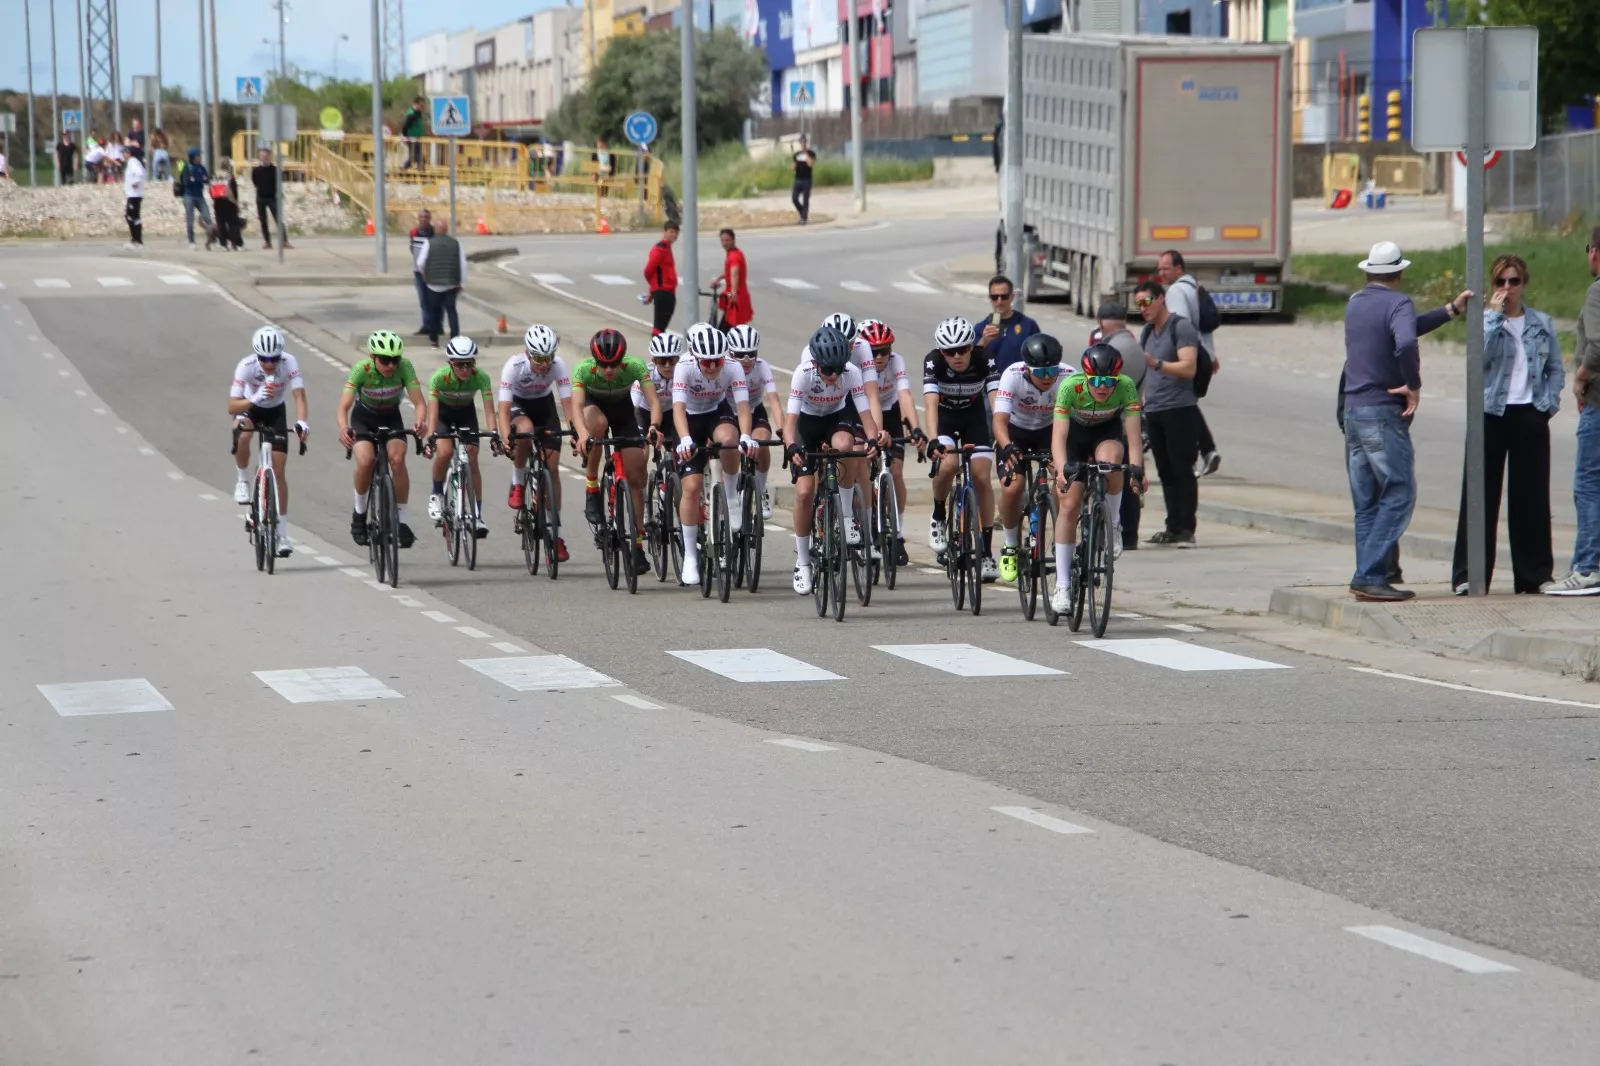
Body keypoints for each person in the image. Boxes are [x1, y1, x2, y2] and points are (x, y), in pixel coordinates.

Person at [1341, 241, 1471, 601]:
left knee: (1366, 501)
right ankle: (1368, 574)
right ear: (1399, 274)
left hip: (1353, 411)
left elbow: (1406, 329)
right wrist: (1413, 384)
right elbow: (1405, 343)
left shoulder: (1355, 304)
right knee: (1400, 491)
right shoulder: (1398, 302)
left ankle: (1370, 576)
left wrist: (1449, 310)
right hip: (1382, 412)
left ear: (1368, 272)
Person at [1446, 254, 1562, 595]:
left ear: (1523, 284)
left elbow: (1555, 367)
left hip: (1529, 411)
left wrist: (1548, 403)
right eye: (1501, 282)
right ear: (1492, 287)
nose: (1508, 288)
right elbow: (1476, 357)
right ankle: (1469, 574)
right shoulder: (1485, 322)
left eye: (1514, 282)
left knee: (1531, 497)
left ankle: (1534, 575)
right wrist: (1493, 316)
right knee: (1479, 495)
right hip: (1490, 413)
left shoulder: (1541, 323)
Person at [784, 326, 883, 594]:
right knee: (804, 493)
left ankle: (848, 515)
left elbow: (866, 417)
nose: (834, 375)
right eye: (828, 370)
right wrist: (791, 445)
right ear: (815, 363)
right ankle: (802, 561)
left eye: (838, 368)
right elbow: (790, 422)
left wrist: (873, 439)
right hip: (807, 424)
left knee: (846, 446)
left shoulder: (851, 373)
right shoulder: (802, 374)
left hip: (834, 419)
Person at [1051, 342, 1145, 612]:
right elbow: (1058, 437)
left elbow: (1134, 438)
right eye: (1097, 380)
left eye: (1109, 381)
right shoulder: (1070, 387)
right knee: (1069, 504)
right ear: (1086, 377)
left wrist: (1137, 469)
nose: (1103, 386)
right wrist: (1061, 470)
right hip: (1075, 437)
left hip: (1106, 431)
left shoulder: (1126, 386)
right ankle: (1063, 586)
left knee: (1112, 463)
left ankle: (1114, 524)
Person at [672, 327, 757, 586]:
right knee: (692, 486)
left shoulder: (732, 366)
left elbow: (742, 406)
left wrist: (746, 435)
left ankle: (731, 497)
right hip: (689, 420)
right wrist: (685, 438)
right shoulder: (684, 367)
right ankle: (689, 557)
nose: (711, 367)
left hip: (715, 412)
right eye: (706, 362)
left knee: (730, 441)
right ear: (696, 358)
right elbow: (677, 409)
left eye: (717, 361)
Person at [572, 328, 658, 575]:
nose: (608, 370)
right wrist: (582, 433)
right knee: (596, 427)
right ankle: (592, 486)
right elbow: (577, 406)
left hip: (622, 412)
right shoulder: (583, 370)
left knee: (636, 477)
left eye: (614, 364)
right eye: (603, 364)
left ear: (623, 361)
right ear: (594, 360)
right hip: (594, 407)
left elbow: (653, 402)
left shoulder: (635, 366)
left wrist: (653, 426)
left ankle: (638, 545)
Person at [924, 315, 1000, 581]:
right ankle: (938, 514)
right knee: (948, 465)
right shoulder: (933, 362)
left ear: (971, 347)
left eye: (962, 350)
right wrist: (932, 439)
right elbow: (931, 404)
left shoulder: (984, 359)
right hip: (945, 418)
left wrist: (1005, 439)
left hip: (974, 418)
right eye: (949, 351)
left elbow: (996, 402)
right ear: (941, 352)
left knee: (981, 476)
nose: (957, 356)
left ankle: (988, 552)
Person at [337, 330, 428, 549]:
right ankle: (359, 514)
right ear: (373, 358)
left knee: (397, 459)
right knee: (366, 460)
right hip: (364, 418)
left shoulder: (405, 367)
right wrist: (344, 428)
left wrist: (420, 422)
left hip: (391, 416)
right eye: (385, 360)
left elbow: (420, 403)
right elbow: (344, 406)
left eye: (394, 360)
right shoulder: (361, 370)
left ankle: (402, 522)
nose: (391, 366)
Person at [1547, 232, 1600, 595]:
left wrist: (1580, 377)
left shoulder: (1597, 291)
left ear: (1595, 253)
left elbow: (1597, 344)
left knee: (1589, 484)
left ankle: (1587, 566)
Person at [993, 333, 1068, 584]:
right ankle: (1011, 545)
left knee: (1062, 481)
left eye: (1052, 371)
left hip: (1050, 433)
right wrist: (1007, 446)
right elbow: (999, 421)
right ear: (1027, 369)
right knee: (1014, 486)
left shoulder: (1069, 376)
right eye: (1040, 372)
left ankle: (1061, 538)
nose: (1048, 378)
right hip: (1017, 433)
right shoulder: (1012, 375)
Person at [499, 323, 578, 562]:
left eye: (549, 358)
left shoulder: (558, 365)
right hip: (518, 406)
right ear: (528, 353)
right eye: (539, 358)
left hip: (544, 406)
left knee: (552, 468)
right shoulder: (514, 366)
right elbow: (502, 410)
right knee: (524, 430)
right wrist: (504, 437)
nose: (545, 364)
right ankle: (518, 483)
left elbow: (568, 405)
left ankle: (556, 535)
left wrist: (575, 431)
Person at [229, 326, 309, 556]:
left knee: (279, 469)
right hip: (250, 408)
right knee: (242, 432)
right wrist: (254, 398)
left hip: (275, 412)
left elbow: (299, 396)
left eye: (273, 359)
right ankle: (242, 480)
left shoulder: (289, 362)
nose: (269, 364)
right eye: (264, 359)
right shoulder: (246, 367)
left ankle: (282, 534)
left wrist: (303, 422)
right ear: (257, 355)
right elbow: (232, 406)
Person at [1134, 281, 1202, 547]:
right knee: (1164, 470)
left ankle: (1186, 528)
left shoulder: (1180, 327)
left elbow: (1189, 367)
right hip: (1155, 408)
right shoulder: (1147, 332)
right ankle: (1172, 525)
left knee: (1182, 467)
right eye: (1138, 304)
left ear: (1161, 299)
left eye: (1146, 302)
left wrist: (1158, 363)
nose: (1143, 309)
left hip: (1180, 408)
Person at [858, 319, 924, 566]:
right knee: (861, 470)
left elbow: (905, 395)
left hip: (890, 412)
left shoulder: (896, 362)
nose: (879, 357)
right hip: (862, 413)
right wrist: (874, 432)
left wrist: (916, 428)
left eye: (885, 350)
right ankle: (862, 525)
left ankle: (897, 533)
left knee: (895, 472)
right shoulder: (857, 364)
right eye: (874, 352)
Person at [1156, 250, 1223, 478]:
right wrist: (1211, 355)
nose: (1161, 273)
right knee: (1188, 404)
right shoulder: (1194, 286)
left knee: (1182, 407)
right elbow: (1203, 325)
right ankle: (1208, 451)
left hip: (1190, 358)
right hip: (1203, 354)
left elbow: (1181, 327)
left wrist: (1176, 359)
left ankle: (1201, 454)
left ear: (1178, 268)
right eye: (1159, 269)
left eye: (1166, 268)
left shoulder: (1175, 291)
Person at [426, 336, 498, 538]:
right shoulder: (439, 378)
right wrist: (431, 436)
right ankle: (437, 493)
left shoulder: (481, 378)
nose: (465, 369)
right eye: (460, 365)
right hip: (443, 415)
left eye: (469, 364)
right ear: (450, 363)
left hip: (466, 414)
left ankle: (476, 515)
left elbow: (490, 411)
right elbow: (432, 411)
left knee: (472, 457)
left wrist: (494, 434)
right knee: (445, 451)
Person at [1092, 300, 1147, 550]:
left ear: (1101, 322)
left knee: (1114, 479)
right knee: (1130, 478)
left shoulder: (1110, 351)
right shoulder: (1135, 346)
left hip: (1116, 423)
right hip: (1134, 418)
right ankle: (1130, 536)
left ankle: (1114, 533)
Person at [728, 324, 784, 521]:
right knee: (729, 445)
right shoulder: (725, 367)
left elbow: (774, 399)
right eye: (740, 355)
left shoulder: (762, 366)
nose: (746, 360)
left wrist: (784, 430)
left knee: (762, 441)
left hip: (753, 409)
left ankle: (761, 490)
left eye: (751, 354)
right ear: (730, 353)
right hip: (729, 411)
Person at [415, 219, 466, 350]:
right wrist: (461, 282)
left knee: (433, 312)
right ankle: (454, 339)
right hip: (451, 284)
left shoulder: (429, 243)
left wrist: (426, 276)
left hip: (433, 285)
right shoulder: (455, 243)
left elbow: (420, 263)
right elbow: (463, 264)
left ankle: (434, 341)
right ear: (446, 229)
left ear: (436, 230)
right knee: (452, 312)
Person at [977, 274, 1041, 376]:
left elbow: (1040, 359)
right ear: (990, 298)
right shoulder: (980, 328)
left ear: (1012, 297)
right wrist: (984, 341)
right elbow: (970, 361)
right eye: (994, 297)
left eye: (1004, 297)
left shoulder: (1029, 326)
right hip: (990, 386)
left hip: (1019, 386)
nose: (999, 301)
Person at [643, 221, 679, 335]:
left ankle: (658, 349)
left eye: (676, 232)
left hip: (667, 291)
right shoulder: (660, 249)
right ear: (665, 232)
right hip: (663, 291)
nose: (674, 235)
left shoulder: (667, 248)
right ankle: (656, 349)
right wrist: (655, 288)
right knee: (659, 327)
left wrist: (652, 291)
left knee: (661, 327)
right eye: (671, 232)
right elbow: (648, 271)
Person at [713, 228, 752, 330]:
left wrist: (733, 294)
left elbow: (734, 274)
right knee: (735, 329)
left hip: (736, 298)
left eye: (727, 240)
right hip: (738, 296)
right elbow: (730, 273)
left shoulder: (734, 256)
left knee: (727, 331)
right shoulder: (735, 252)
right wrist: (719, 279)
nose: (724, 243)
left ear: (733, 240)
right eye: (722, 240)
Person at [179, 147, 216, 250]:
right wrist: (199, 180)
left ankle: (213, 239)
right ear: (193, 157)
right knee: (190, 219)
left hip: (200, 196)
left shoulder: (201, 167)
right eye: (198, 156)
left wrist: (197, 179)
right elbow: (186, 182)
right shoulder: (187, 167)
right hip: (188, 196)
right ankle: (191, 241)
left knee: (207, 217)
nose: (199, 158)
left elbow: (207, 179)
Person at [253, 147, 285, 250]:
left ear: (270, 157)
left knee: (278, 219)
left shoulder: (275, 170)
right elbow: (255, 182)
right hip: (260, 198)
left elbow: (278, 183)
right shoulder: (256, 170)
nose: (264, 157)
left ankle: (285, 241)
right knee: (263, 221)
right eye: (262, 156)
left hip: (272, 197)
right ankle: (267, 242)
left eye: (266, 156)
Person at [408, 209, 434, 333]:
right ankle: (426, 325)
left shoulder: (434, 233)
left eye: (426, 217)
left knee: (433, 301)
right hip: (418, 273)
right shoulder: (414, 232)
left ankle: (435, 326)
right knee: (423, 301)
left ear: (430, 218)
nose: (423, 219)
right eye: (421, 217)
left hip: (432, 273)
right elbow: (412, 248)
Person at [211, 158, 245, 251]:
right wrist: (236, 202)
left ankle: (223, 244)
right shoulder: (229, 176)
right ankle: (238, 244)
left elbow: (211, 190)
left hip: (218, 203)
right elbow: (234, 190)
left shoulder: (215, 175)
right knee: (233, 224)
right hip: (229, 202)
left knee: (220, 224)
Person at [122, 144, 146, 249]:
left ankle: (135, 240)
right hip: (133, 194)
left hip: (134, 195)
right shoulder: (132, 162)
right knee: (134, 217)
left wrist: (135, 183)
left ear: (129, 153)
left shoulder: (133, 162)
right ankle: (137, 240)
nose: (123, 154)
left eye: (125, 152)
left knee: (130, 216)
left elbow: (140, 174)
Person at [790, 135, 816, 225]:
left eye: (804, 142)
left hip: (807, 180)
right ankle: (802, 213)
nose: (803, 144)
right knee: (794, 198)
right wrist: (795, 161)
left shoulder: (811, 153)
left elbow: (810, 164)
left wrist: (805, 154)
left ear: (806, 143)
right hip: (798, 179)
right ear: (799, 143)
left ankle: (803, 218)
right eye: (801, 142)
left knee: (805, 200)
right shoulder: (797, 154)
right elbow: (792, 168)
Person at [402, 97, 425, 170]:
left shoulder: (417, 113)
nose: (422, 107)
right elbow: (406, 126)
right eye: (421, 105)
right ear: (415, 104)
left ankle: (408, 166)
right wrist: (405, 136)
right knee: (416, 155)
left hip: (416, 137)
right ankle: (418, 169)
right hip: (412, 137)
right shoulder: (411, 114)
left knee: (415, 155)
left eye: (423, 105)